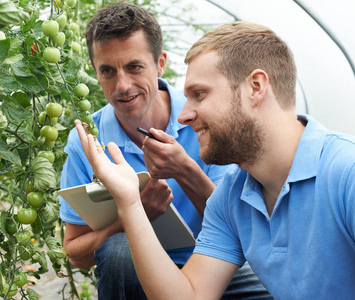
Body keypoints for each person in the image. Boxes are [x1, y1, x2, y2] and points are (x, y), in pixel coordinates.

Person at [74, 20, 355, 299]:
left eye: (199, 94)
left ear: (255, 87)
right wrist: (131, 202)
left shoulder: (348, 174)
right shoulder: (233, 195)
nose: (183, 115)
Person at [59, 3, 270, 299]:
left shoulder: (203, 116)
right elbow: (76, 254)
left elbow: (241, 228)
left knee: (275, 283)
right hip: (137, 273)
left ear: (160, 64)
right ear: (94, 72)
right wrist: (131, 216)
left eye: (134, 67)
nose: (122, 85)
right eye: (107, 71)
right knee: (119, 251)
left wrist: (184, 169)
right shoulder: (87, 142)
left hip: (212, 263)